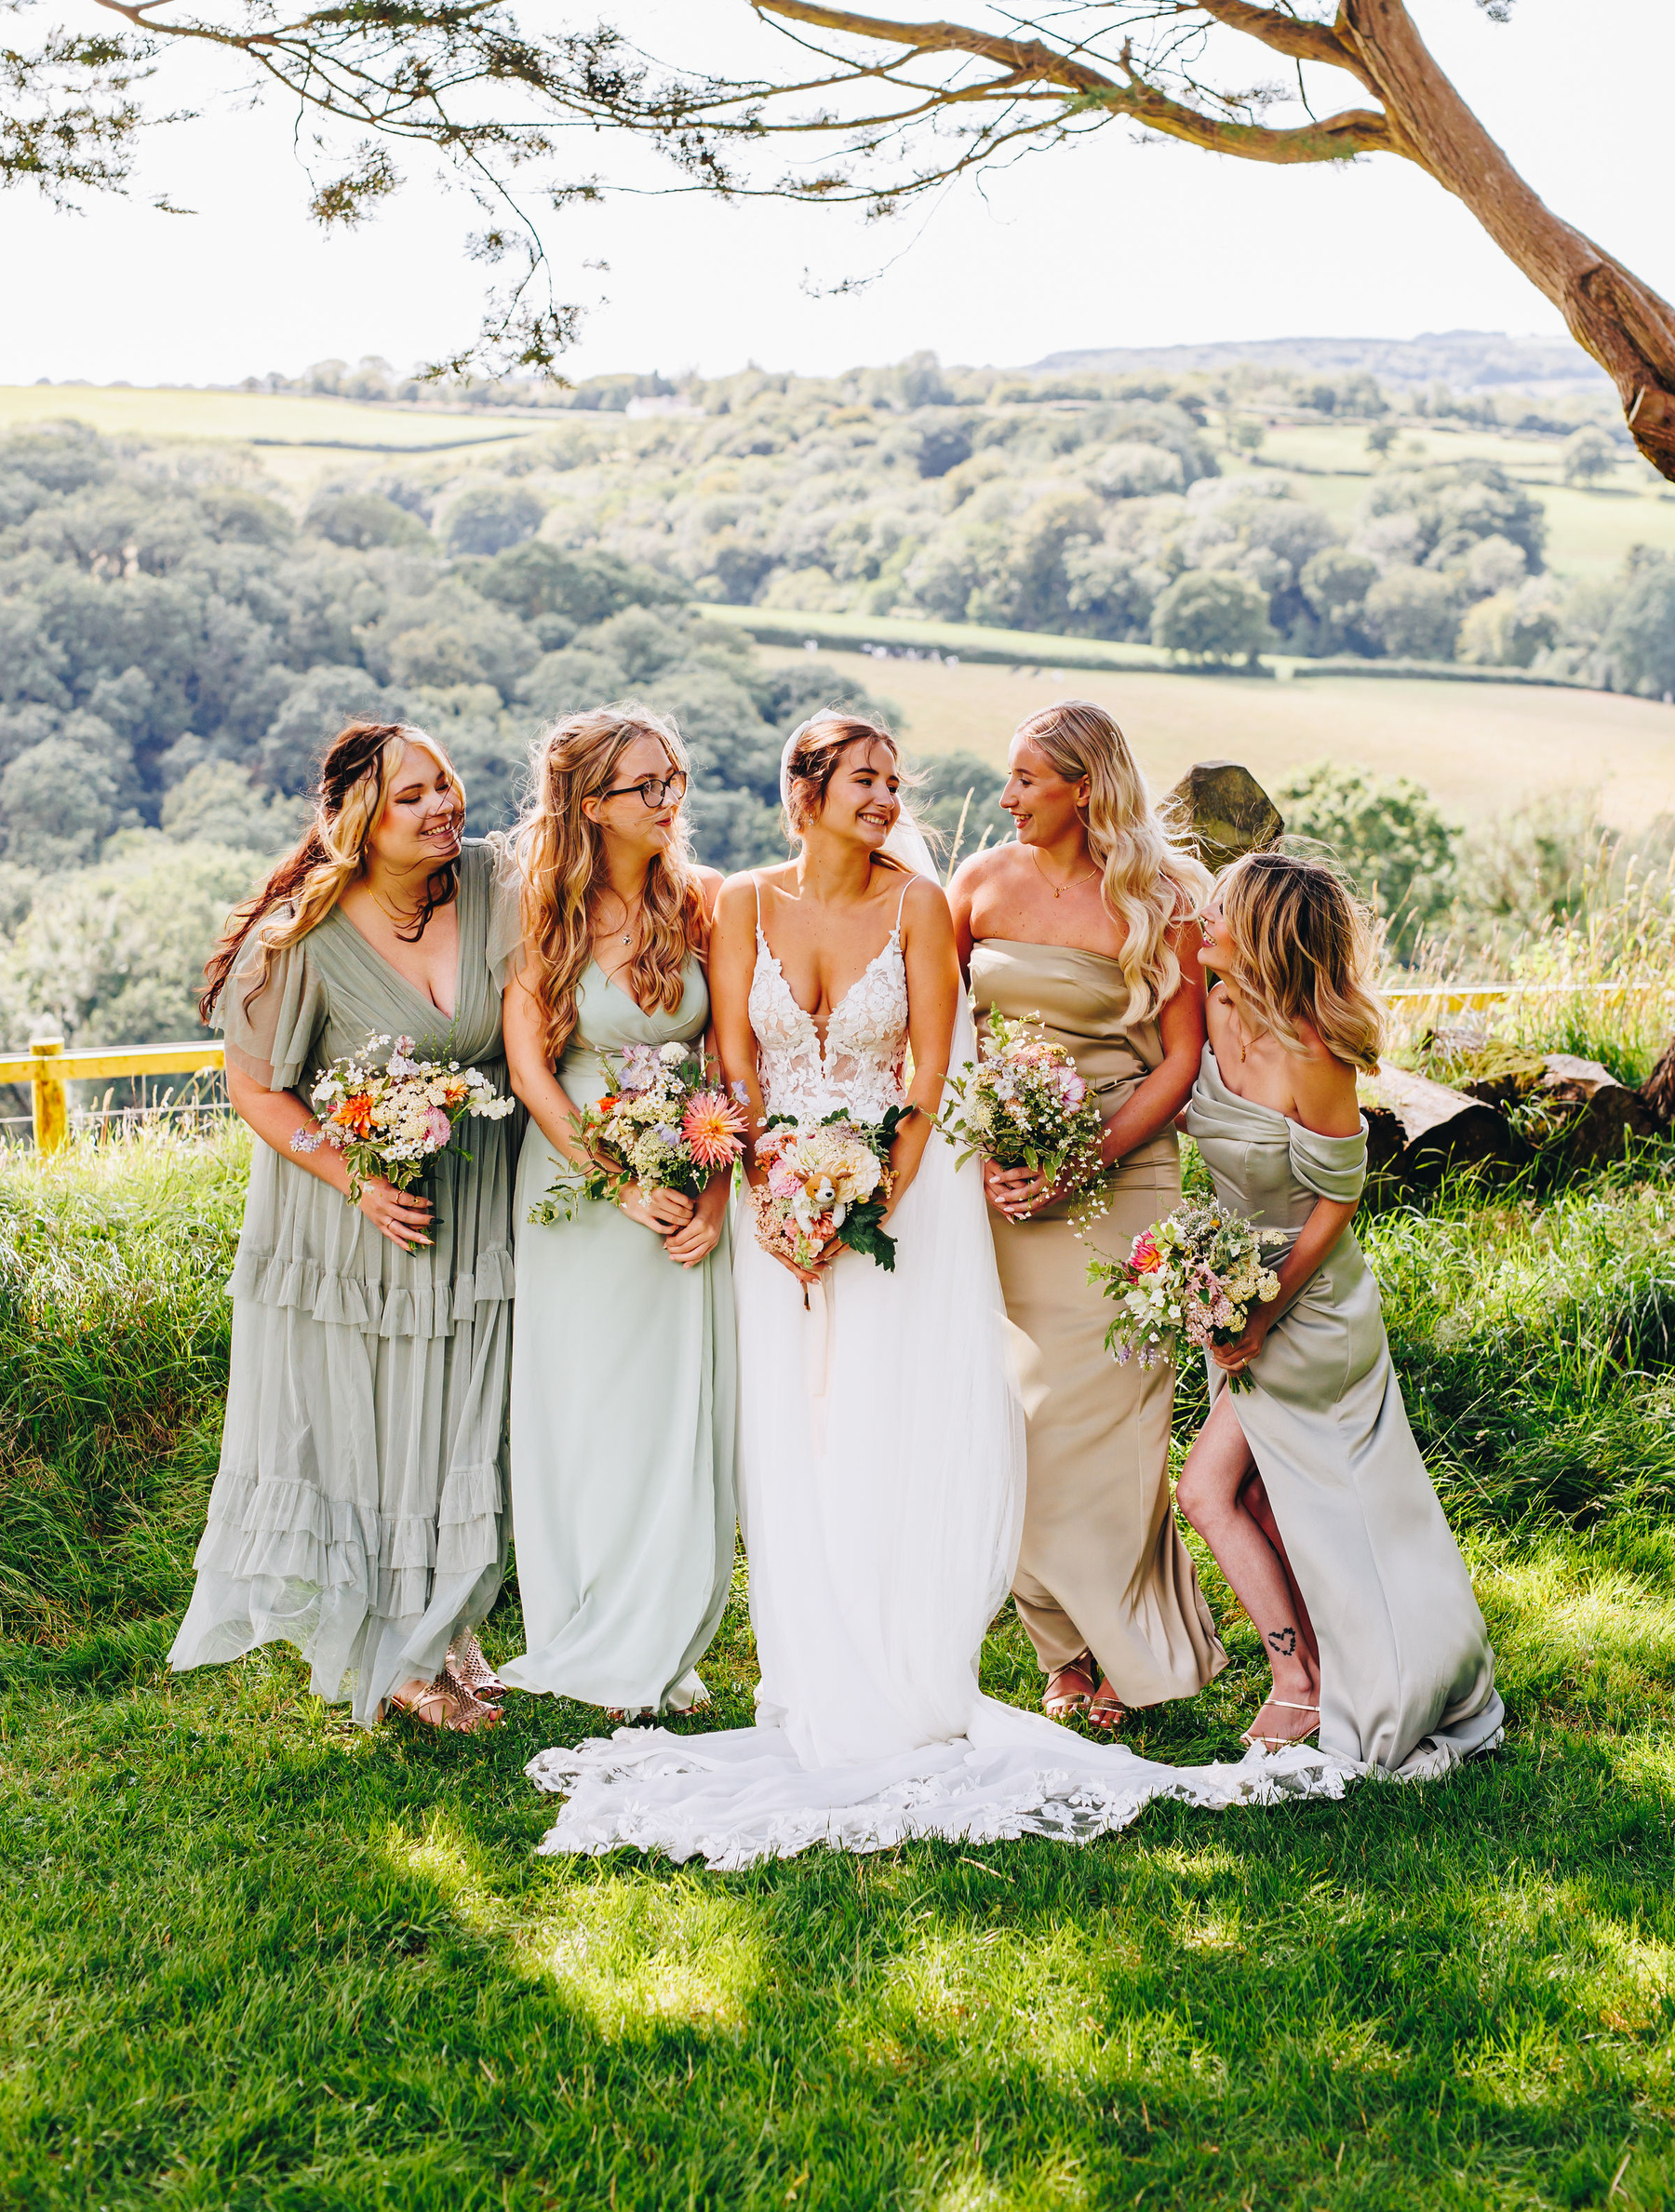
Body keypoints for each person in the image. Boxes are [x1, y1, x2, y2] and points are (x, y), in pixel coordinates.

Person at [520, 714, 1342, 1866]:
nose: (888, 798)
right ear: (804, 790)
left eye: (894, 782)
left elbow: (928, 1066)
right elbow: (738, 1069)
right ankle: (811, 1672)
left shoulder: (917, 903)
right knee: (791, 1445)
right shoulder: (740, 903)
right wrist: (777, 1190)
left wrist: (865, 1194)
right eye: (867, 779)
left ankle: (907, 1672)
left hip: (890, 1209)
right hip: (774, 1215)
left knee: (884, 1430)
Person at [168, 721, 518, 1734]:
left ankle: (445, 1625)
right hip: (355, 1218)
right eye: (412, 796)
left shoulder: (493, 884)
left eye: (444, 785)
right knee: (376, 1429)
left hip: (475, 1200)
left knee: (459, 1414)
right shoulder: (304, 934)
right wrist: (355, 1177)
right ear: (355, 817)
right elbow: (255, 1089)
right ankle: (391, 1652)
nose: (441, 806)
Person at [1176, 851, 1504, 1774]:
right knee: (1264, 1502)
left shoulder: (1313, 1054)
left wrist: (1264, 1311)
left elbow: (1336, 1202)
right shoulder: (1213, 1001)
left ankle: (1304, 1684)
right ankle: (1319, 1670)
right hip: (1235, 1286)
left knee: (1214, 1494)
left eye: (1225, 906)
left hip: (1310, 1308)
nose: (1206, 914)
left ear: (1268, 932)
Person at [950, 702, 1226, 1731]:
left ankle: (1129, 1648)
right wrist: (979, 1151)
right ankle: (1063, 1652)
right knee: (1016, 1422)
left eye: (1028, 779)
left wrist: (1086, 1162)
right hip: (999, 1187)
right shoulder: (975, 885)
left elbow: (1184, 1059)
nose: (1010, 797)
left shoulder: (1162, 900)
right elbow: (936, 1037)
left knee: (1110, 1431)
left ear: (1084, 787)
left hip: (1126, 1182)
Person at [494, 705, 737, 1717]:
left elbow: (732, 1059)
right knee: (588, 1410)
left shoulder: (709, 903)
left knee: (676, 1413)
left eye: (674, 778)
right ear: (592, 806)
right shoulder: (543, 913)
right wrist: (616, 1178)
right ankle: (589, 1623)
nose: (669, 799)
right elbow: (533, 1072)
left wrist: (713, 1189)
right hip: (578, 1196)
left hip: (687, 1175)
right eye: (648, 786)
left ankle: (665, 1633)